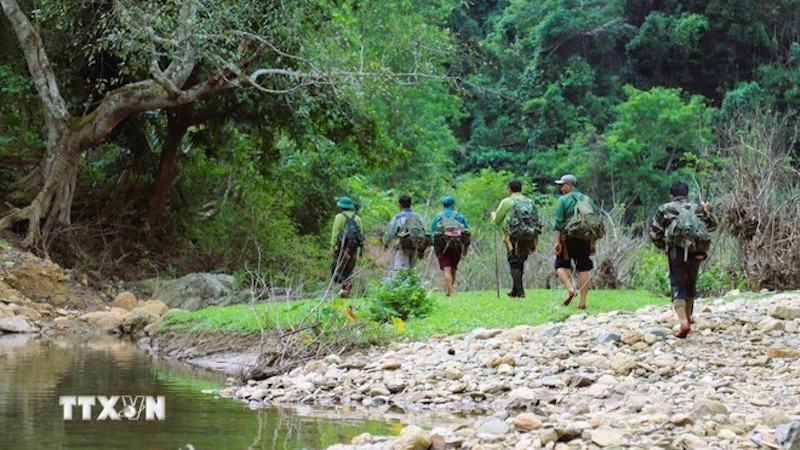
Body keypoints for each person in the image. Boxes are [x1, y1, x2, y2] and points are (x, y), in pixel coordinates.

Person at [650, 180, 717, 338]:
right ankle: (688, 317)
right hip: (696, 251)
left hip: (675, 251)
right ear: (687, 194)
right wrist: (705, 211)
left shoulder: (665, 208)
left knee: (677, 284)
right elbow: (713, 226)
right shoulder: (697, 208)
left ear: (671, 195)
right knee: (690, 284)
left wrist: (664, 246)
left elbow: (655, 233)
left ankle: (683, 322)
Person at [553, 174, 602, 310]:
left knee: (560, 266)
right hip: (585, 239)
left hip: (567, 239)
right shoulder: (588, 200)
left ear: (569, 185)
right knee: (583, 268)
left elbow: (558, 223)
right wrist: (593, 243)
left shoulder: (563, 200)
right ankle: (582, 302)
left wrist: (557, 242)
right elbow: (594, 223)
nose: (561, 188)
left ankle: (570, 287)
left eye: (562, 185)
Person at [492, 179, 540, 298]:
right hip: (528, 235)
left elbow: (497, 221)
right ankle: (515, 290)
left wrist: (493, 216)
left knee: (514, 262)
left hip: (512, 236)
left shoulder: (507, 201)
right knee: (520, 261)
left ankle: (520, 291)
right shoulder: (530, 202)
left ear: (509, 189)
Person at [431, 195, 470, 296]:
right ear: (453, 205)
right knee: (453, 268)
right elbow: (467, 232)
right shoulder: (459, 216)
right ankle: (450, 290)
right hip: (457, 246)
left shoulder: (438, 217)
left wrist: (434, 248)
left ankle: (450, 291)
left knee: (446, 269)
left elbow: (432, 233)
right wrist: (465, 248)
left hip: (442, 247)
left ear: (443, 205)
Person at [330, 196, 364, 298]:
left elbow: (335, 233)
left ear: (341, 207)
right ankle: (345, 291)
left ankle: (346, 285)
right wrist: (361, 250)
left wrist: (333, 246)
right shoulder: (358, 218)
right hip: (353, 249)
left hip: (341, 248)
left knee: (335, 270)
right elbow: (361, 235)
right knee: (348, 271)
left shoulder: (339, 217)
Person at [383, 195, 428, 271]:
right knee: (412, 269)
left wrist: (385, 243)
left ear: (399, 205)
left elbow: (390, 232)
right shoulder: (418, 217)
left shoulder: (398, 217)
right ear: (410, 204)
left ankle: (403, 283)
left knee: (401, 270)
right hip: (416, 246)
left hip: (402, 246)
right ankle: (412, 282)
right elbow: (423, 230)